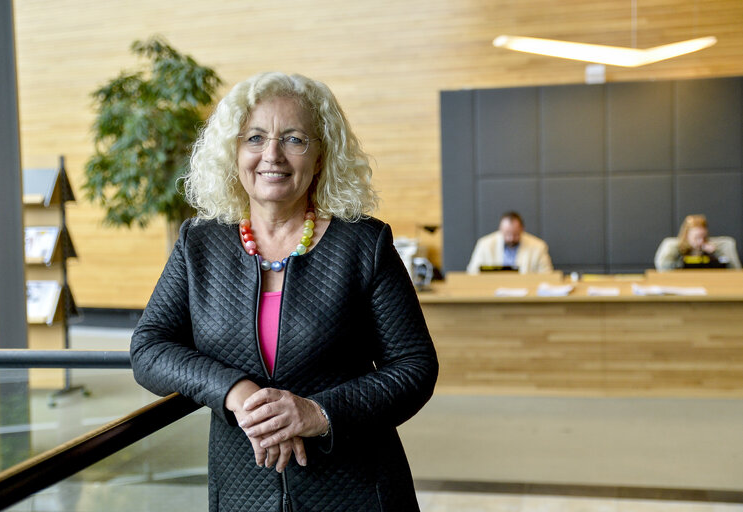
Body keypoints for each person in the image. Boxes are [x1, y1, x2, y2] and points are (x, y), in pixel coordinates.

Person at [129, 72, 438, 512]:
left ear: (320, 155)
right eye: (254, 137)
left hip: (355, 490)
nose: (271, 155)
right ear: (233, 152)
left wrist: (318, 413)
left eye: (293, 139)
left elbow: (415, 366)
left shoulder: (364, 244)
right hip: (243, 492)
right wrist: (236, 393)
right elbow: (149, 348)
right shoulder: (199, 244)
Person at [466, 211, 553, 274]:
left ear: (522, 229)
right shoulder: (484, 244)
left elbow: (547, 275)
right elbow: (472, 273)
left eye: (516, 234)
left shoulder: (538, 246)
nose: (511, 238)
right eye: (507, 234)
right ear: (500, 229)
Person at [654, 214, 741, 270]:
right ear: (686, 235)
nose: (700, 241)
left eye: (703, 237)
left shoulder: (719, 246)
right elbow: (663, 268)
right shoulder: (672, 245)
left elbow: (735, 270)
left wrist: (716, 252)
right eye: (696, 237)